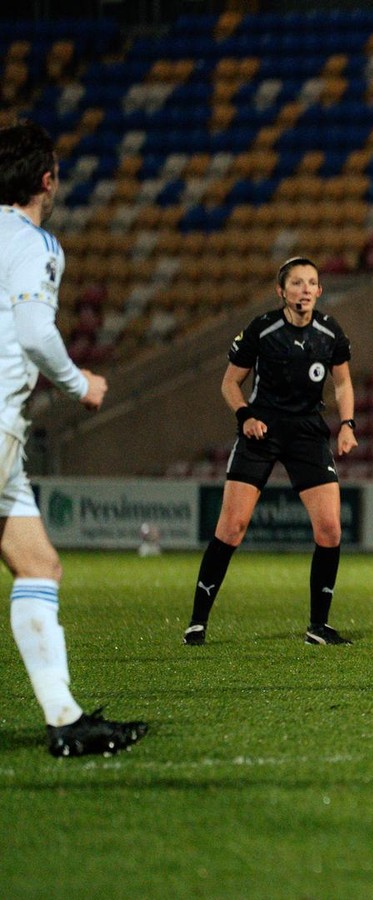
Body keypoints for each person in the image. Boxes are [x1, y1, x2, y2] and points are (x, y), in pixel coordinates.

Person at [0, 120, 145, 755]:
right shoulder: (35, 243)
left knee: (38, 565)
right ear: (46, 180)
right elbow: (34, 332)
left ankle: (64, 722)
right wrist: (75, 381)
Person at [185, 256, 357, 646]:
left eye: (311, 283)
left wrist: (347, 425)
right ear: (281, 292)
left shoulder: (331, 332)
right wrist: (245, 416)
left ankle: (319, 626)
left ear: (319, 290)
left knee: (330, 529)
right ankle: (196, 622)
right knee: (232, 528)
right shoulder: (262, 329)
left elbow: (343, 384)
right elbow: (230, 383)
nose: (305, 290)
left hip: (307, 433)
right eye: (297, 284)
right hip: (261, 430)